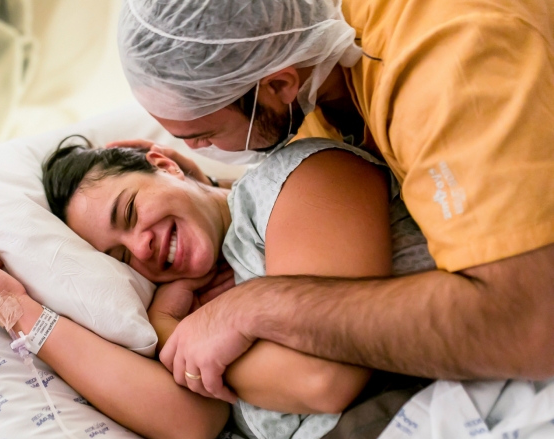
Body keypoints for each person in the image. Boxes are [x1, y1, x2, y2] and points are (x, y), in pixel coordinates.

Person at [114, 0, 554, 405]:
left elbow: (530, 324)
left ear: (279, 83)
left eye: (202, 137)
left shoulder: (446, 61)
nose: (205, 150)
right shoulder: (312, 91)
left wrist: (255, 307)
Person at [0, 136, 433, 439]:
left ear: (163, 162)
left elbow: (321, 377)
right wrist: (15, 309)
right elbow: (189, 425)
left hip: (419, 421)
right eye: (119, 255)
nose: (141, 247)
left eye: (131, 210)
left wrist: (175, 338)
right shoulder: (177, 307)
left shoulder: (291, 182)